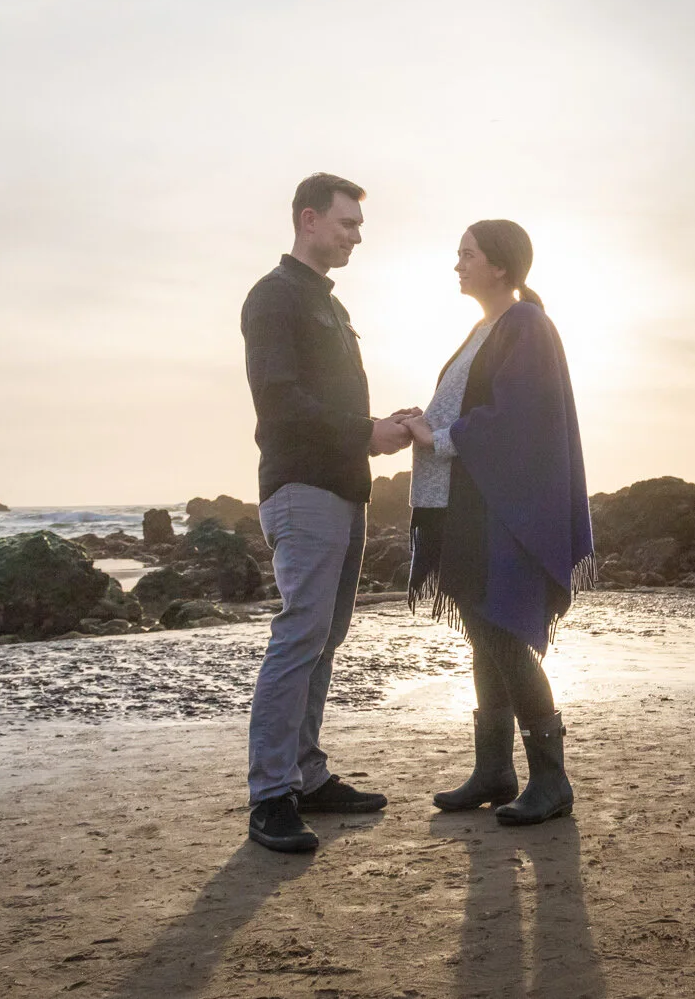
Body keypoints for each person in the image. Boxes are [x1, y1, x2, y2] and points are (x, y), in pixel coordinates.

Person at [240, 172, 417, 854]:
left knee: (325, 637)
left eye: (360, 227)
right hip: (303, 487)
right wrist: (365, 431)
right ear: (309, 219)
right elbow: (279, 400)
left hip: (345, 489)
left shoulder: (330, 306)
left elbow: (334, 405)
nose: (356, 237)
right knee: (299, 635)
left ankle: (306, 774)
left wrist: (382, 427)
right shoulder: (274, 297)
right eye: (347, 224)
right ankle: (270, 795)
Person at [404, 219, 592, 826]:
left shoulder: (527, 325)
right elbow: (464, 409)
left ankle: (552, 780)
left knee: (504, 635)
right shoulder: (484, 330)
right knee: (484, 634)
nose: (457, 263)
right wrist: (424, 423)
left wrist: (439, 435)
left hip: (499, 512)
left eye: (468, 254)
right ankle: (494, 770)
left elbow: (518, 418)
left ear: (501, 267)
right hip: (466, 508)